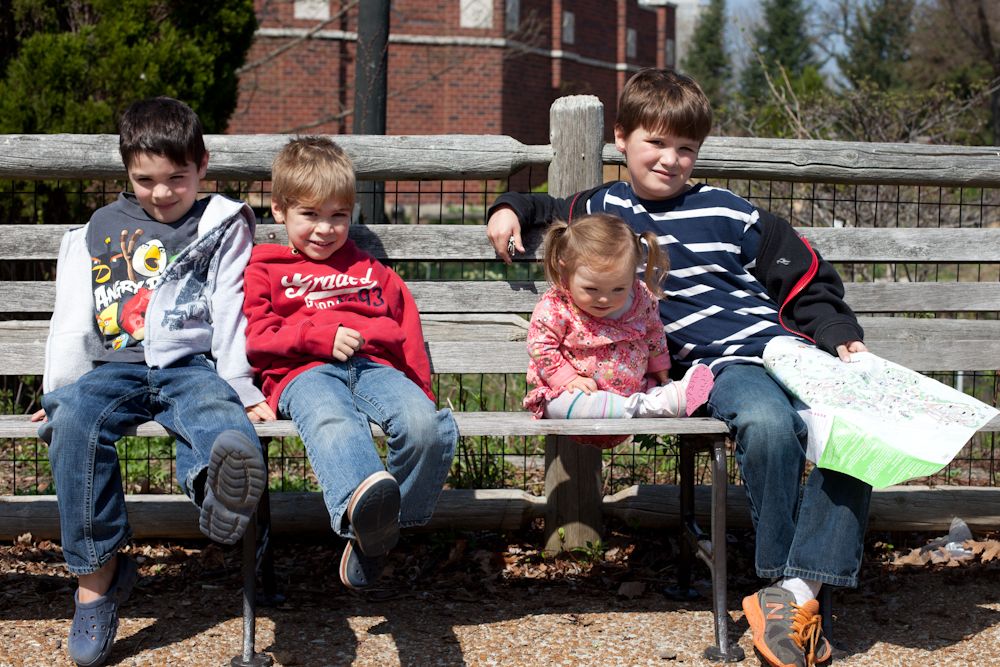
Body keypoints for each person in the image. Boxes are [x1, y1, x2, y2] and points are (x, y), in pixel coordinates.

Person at [486, 68, 871, 667]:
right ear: (621, 139)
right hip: (721, 367)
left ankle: (793, 593)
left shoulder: (731, 212)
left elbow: (804, 276)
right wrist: (509, 208)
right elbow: (547, 207)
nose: (670, 160)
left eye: (685, 148)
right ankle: (790, 590)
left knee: (859, 430)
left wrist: (840, 335)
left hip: (788, 351)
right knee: (769, 427)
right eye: (656, 144)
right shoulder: (601, 206)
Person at [31, 97, 273, 667]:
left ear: (202, 166)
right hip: (112, 370)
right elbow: (72, 315)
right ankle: (97, 579)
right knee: (73, 423)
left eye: (176, 179)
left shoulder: (219, 225)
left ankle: (217, 495)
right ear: (126, 171)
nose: (162, 193)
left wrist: (242, 385)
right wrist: (58, 390)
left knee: (218, 419)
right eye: (145, 180)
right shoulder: (100, 228)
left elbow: (231, 306)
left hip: (192, 367)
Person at [242, 136, 457, 591]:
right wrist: (318, 337)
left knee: (426, 426)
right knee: (332, 421)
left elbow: (407, 328)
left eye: (338, 216)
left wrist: (420, 388)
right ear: (279, 210)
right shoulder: (264, 268)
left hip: (376, 368)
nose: (325, 229)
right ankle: (372, 525)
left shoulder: (371, 271)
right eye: (310, 215)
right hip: (305, 373)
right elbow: (258, 340)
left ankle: (377, 534)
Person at [525, 212, 714, 448]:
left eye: (618, 289)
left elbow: (653, 333)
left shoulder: (641, 297)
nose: (605, 299)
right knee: (560, 405)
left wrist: (661, 370)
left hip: (632, 390)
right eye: (592, 288)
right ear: (565, 270)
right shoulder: (557, 306)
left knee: (655, 391)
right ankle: (653, 407)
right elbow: (539, 345)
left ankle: (671, 395)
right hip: (580, 399)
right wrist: (569, 378)